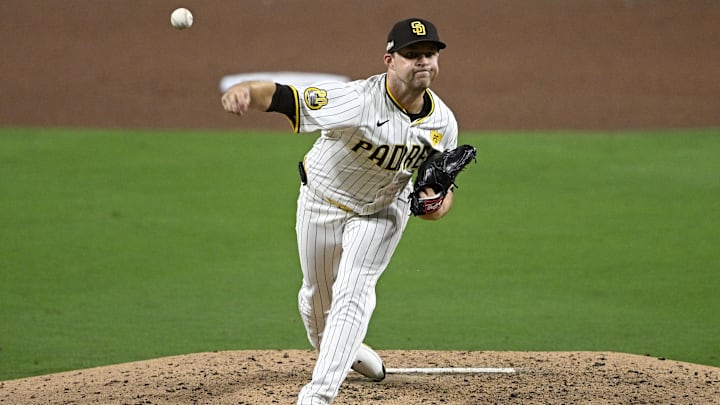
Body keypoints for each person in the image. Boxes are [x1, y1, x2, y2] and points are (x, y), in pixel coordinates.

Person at [221, 17, 458, 405]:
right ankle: (349, 350)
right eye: (412, 55)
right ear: (389, 60)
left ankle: (318, 395)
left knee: (354, 291)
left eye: (429, 54)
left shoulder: (443, 124)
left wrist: (435, 204)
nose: (423, 62)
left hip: (381, 213)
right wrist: (247, 90)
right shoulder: (358, 100)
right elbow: (286, 98)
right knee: (317, 302)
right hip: (321, 202)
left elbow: (439, 197)